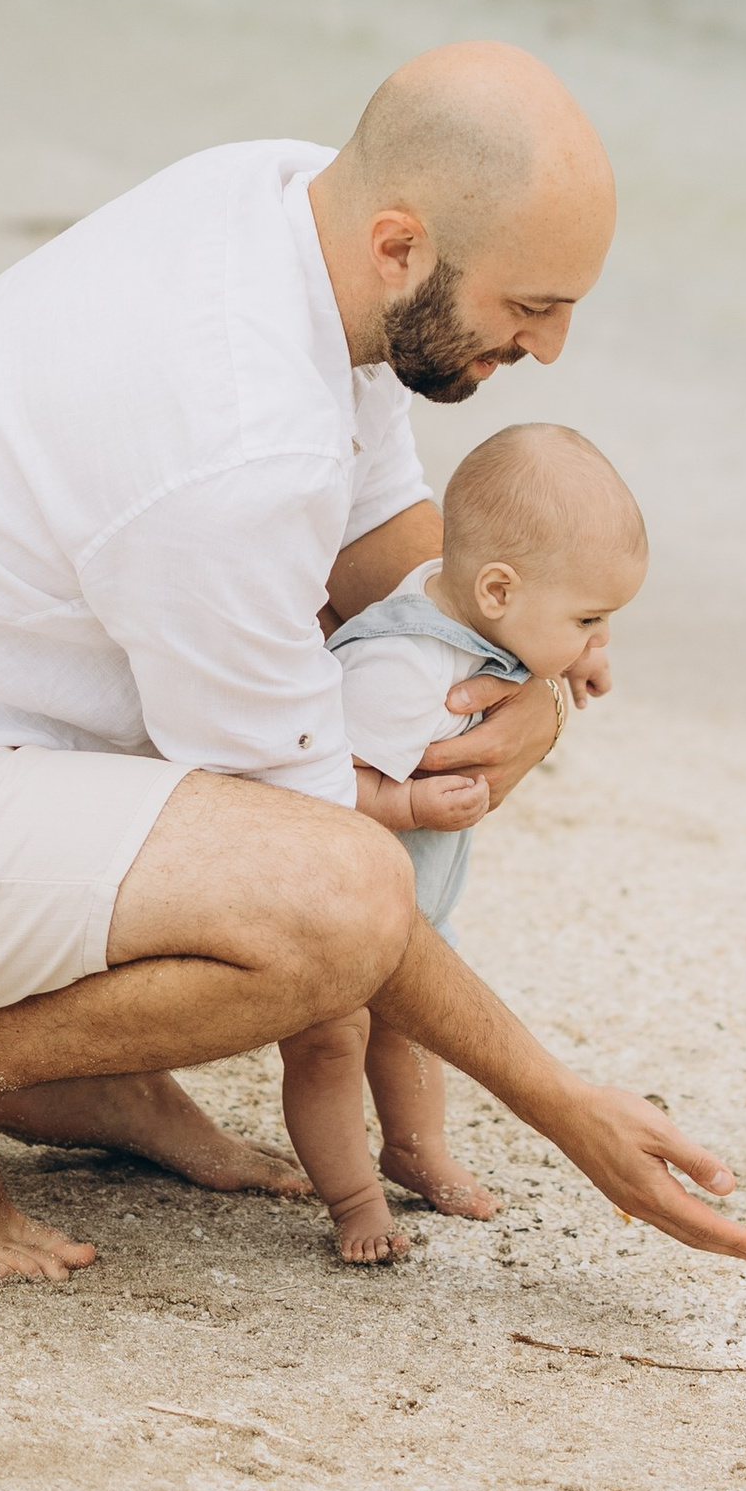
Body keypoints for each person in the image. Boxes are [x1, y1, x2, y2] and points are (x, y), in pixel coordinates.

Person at [0, 42, 746, 1287]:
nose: (550, 348)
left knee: (387, 719)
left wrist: (529, 685)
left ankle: (84, 1073)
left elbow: (383, 557)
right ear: (400, 247)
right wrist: (561, 1100)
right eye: (529, 307)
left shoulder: (279, 207)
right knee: (339, 900)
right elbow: (333, 867)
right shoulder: (235, 440)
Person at [278, 419, 648, 1260]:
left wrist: (568, 660)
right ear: (497, 592)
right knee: (331, 1044)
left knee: (412, 1023)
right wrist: (406, 808)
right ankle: (353, 1200)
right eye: (590, 618)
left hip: (410, 903)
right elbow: (312, 790)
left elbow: (533, 644)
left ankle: (415, 1150)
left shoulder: (486, 621)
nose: (601, 638)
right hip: (330, 903)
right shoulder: (401, 669)